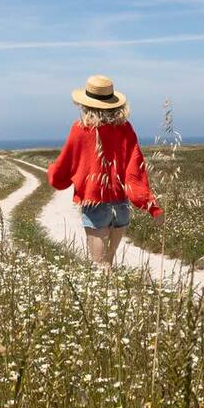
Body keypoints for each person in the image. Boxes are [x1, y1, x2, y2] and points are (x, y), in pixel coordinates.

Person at [47, 75, 164, 268]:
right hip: (121, 206)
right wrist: (151, 206)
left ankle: (107, 298)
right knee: (108, 263)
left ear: (85, 104)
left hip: (96, 206)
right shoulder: (125, 128)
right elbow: (136, 170)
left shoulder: (80, 129)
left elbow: (62, 170)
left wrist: (52, 173)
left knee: (100, 267)